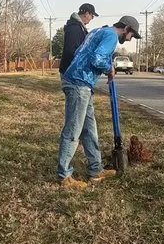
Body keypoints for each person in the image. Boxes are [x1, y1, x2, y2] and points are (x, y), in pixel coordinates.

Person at [57, 15, 141, 188]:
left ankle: (95, 170)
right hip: (78, 83)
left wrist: (107, 61)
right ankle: (64, 175)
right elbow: (97, 58)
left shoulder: (99, 31)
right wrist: (109, 68)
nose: (131, 38)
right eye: (132, 35)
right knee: (73, 130)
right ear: (125, 29)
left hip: (80, 83)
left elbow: (84, 52)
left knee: (89, 130)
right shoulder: (111, 36)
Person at [58, 3, 98, 76]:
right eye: (92, 16)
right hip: (71, 72)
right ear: (86, 14)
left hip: (72, 70)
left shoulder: (80, 27)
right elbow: (71, 51)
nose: (92, 18)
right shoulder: (74, 28)